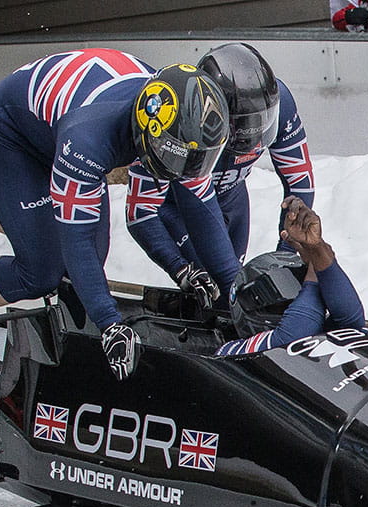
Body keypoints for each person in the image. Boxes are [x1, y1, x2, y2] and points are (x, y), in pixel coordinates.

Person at [0, 49, 230, 391]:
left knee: (91, 263)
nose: (185, 174)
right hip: (9, 134)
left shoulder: (180, 134)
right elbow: (75, 239)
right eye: (177, 159)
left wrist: (199, 277)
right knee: (41, 271)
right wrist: (110, 323)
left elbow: (146, 217)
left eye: (200, 161)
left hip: (61, 119)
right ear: (146, 132)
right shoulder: (89, 139)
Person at [129, 43, 315, 310]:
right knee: (223, 290)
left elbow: (300, 181)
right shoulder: (187, 114)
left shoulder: (281, 101)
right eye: (242, 124)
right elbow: (142, 211)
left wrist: (286, 254)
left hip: (232, 197)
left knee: (234, 289)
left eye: (260, 121)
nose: (252, 136)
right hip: (179, 206)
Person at [217, 197, 365, 356]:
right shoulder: (230, 351)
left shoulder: (318, 326)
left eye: (299, 288)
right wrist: (315, 266)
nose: (296, 300)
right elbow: (293, 337)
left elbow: (352, 321)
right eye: (286, 302)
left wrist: (317, 248)